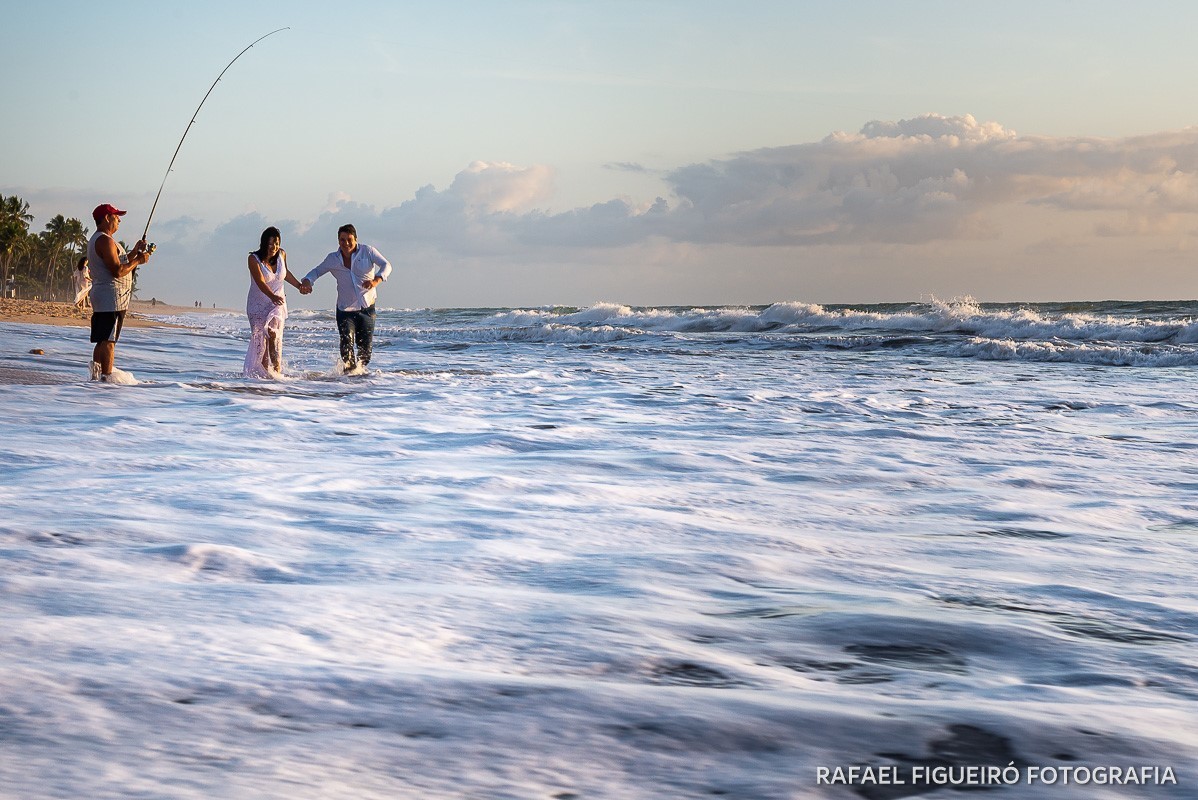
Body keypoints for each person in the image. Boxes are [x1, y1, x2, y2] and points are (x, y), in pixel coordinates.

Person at [299, 224, 392, 372]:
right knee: (346, 344)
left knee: (365, 352)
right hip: (345, 310)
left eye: (349, 239)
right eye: (342, 240)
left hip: (367, 309)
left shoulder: (367, 251)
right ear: (338, 241)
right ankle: (348, 377)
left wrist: (376, 281)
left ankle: (358, 376)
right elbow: (316, 271)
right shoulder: (333, 259)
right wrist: (307, 281)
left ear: (356, 239)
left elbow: (386, 265)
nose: (346, 243)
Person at [87, 203, 152, 380]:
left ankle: (96, 378)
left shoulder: (98, 239)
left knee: (101, 340)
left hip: (103, 295)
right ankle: (106, 380)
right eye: (116, 217)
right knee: (108, 341)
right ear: (107, 218)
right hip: (111, 297)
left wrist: (134, 253)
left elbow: (117, 262)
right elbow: (117, 271)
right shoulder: (105, 240)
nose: (119, 220)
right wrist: (138, 260)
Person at [244, 226, 305, 378]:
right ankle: (264, 376)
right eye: (270, 244)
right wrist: (271, 296)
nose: (274, 247)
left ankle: (276, 371)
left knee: (273, 333)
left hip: (277, 303)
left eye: (276, 243)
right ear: (263, 243)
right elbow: (260, 282)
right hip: (258, 305)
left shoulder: (282, 254)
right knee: (261, 345)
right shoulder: (253, 259)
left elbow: (285, 273)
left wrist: (298, 285)